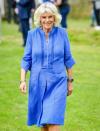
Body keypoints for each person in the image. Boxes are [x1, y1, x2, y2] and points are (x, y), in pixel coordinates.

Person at [19, 2, 75, 131]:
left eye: (50, 17)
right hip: (37, 83)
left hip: (58, 82)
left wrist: (70, 81)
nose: (47, 20)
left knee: (53, 122)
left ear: (55, 17)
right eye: (44, 17)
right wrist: (22, 80)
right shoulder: (32, 35)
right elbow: (26, 59)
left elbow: (68, 59)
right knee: (44, 124)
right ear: (39, 18)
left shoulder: (62, 33)